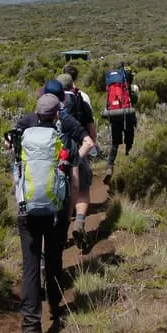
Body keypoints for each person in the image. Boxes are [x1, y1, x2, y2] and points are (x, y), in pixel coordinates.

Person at [7, 94, 95, 332]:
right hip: (56, 211)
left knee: (31, 267)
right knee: (54, 259)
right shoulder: (63, 140)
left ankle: (31, 324)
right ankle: (55, 303)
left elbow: (16, 171)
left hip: (27, 211)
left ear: (37, 114)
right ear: (57, 114)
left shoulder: (23, 139)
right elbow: (75, 172)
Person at [55, 72, 94, 249]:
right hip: (79, 152)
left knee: (60, 196)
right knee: (82, 190)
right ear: (73, 85)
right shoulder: (82, 101)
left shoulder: (52, 105)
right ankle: (79, 222)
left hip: (57, 155)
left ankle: (61, 235)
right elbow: (91, 132)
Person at [104, 68, 139, 184]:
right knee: (129, 142)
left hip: (115, 115)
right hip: (128, 115)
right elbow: (135, 102)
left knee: (115, 144)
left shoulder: (112, 88)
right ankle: (128, 165)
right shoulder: (133, 88)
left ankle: (109, 167)